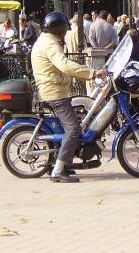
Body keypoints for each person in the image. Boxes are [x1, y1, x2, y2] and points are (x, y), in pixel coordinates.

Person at [31, 11, 107, 183]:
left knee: (75, 120)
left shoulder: (46, 40)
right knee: (73, 129)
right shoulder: (51, 44)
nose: (67, 31)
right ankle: (58, 171)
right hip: (54, 93)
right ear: (59, 29)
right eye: (65, 28)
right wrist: (92, 73)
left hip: (54, 89)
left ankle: (66, 163)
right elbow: (64, 65)